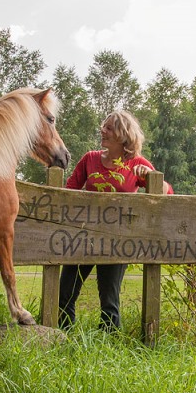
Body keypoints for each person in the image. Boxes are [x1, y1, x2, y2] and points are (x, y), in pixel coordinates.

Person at [58, 110, 173, 331]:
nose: (103, 130)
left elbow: (167, 195)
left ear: (123, 135)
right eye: (104, 126)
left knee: (109, 302)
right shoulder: (90, 159)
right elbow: (68, 192)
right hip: (84, 237)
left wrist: (150, 177)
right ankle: (63, 340)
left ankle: (107, 345)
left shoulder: (137, 164)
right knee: (65, 295)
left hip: (117, 240)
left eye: (109, 128)